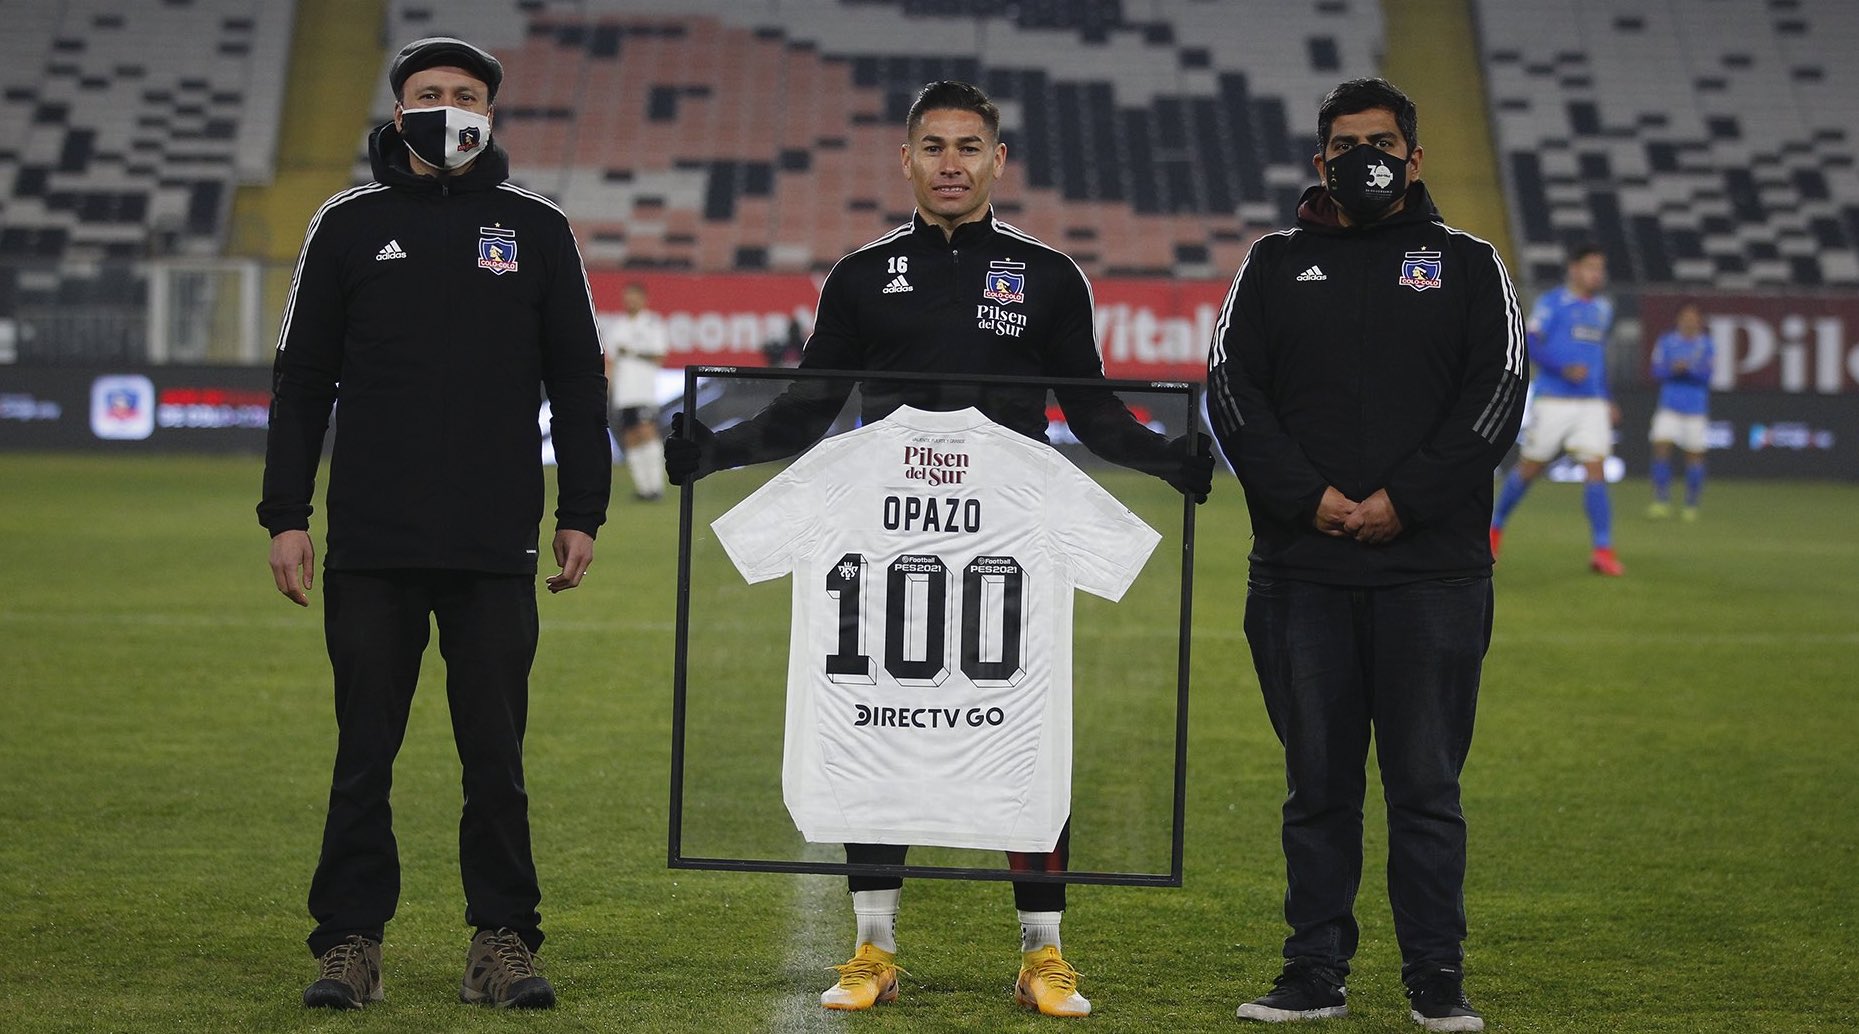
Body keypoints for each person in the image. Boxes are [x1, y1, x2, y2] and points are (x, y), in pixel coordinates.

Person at [666, 80, 1213, 1018]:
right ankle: (872, 949)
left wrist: (1167, 458)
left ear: (998, 160)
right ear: (906, 160)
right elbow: (807, 409)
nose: (950, 164)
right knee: (876, 731)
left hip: (1009, 552)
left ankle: (1043, 953)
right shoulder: (860, 276)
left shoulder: (1047, 276)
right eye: (933, 147)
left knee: (1023, 737)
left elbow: (1089, 413)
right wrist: (713, 450)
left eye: (968, 147)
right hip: (883, 548)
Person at [257, 36, 610, 1012]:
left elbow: (577, 379)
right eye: (429, 91)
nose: (447, 106)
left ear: (488, 114)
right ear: (399, 107)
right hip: (372, 541)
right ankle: (350, 942)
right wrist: (286, 514)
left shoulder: (536, 227)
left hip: (495, 543)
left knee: (495, 760)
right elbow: (302, 382)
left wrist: (583, 508)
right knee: (362, 754)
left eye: (464, 94)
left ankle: (502, 940)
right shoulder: (346, 223)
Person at [1208, 78, 1525, 1032]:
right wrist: (1308, 499)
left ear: (1414, 158)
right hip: (1301, 574)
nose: (1363, 159)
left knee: (1426, 788)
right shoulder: (1272, 263)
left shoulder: (1469, 265)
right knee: (1316, 788)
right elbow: (1230, 391)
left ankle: (1436, 975)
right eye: (1345, 146)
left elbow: (1498, 394)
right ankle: (1313, 971)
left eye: (1380, 143)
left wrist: (1404, 501)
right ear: (1320, 162)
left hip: (1432, 575)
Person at [1487, 243, 1624, 575]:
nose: (1597, 274)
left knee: (1595, 468)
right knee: (1530, 468)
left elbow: (1596, 358)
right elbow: (1531, 341)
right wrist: (1563, 368)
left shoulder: (1603, 309)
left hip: (1591, 402)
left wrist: (1606, 397)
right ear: (1574, 269)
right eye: (1591, 267)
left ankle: (1602, 550)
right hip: (1554, 399)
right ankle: (1494, 529)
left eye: (1600, 268)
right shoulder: (1552, 303)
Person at [1647, 303, 1714, 520]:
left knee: (1694, 456)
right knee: (1661, 449)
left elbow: (1708, 375)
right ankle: (1661, 501)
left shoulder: (1706, 344)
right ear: (1679, 320)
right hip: (1669, 407)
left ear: (1699, 322)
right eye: (1686, 317)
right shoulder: (1667, 341)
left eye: (1693, 318)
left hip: (1696, 409)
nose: (1689, 321)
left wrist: (1689, 370)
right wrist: (1672, 370)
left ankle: (1691, 505)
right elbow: (1656, 371)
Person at [604, 281, 670, 500]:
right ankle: (643, 489)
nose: (630, 301)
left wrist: (632, 352)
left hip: (643, 391)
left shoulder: (652, 323)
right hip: (623, 393)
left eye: (634, 297)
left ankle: (656, 487)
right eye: (627, 297)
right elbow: (611, 361)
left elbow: (659, 356)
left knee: (647, 432)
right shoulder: (618, 326)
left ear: (643, 299)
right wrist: (607, 386)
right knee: (630, 436)